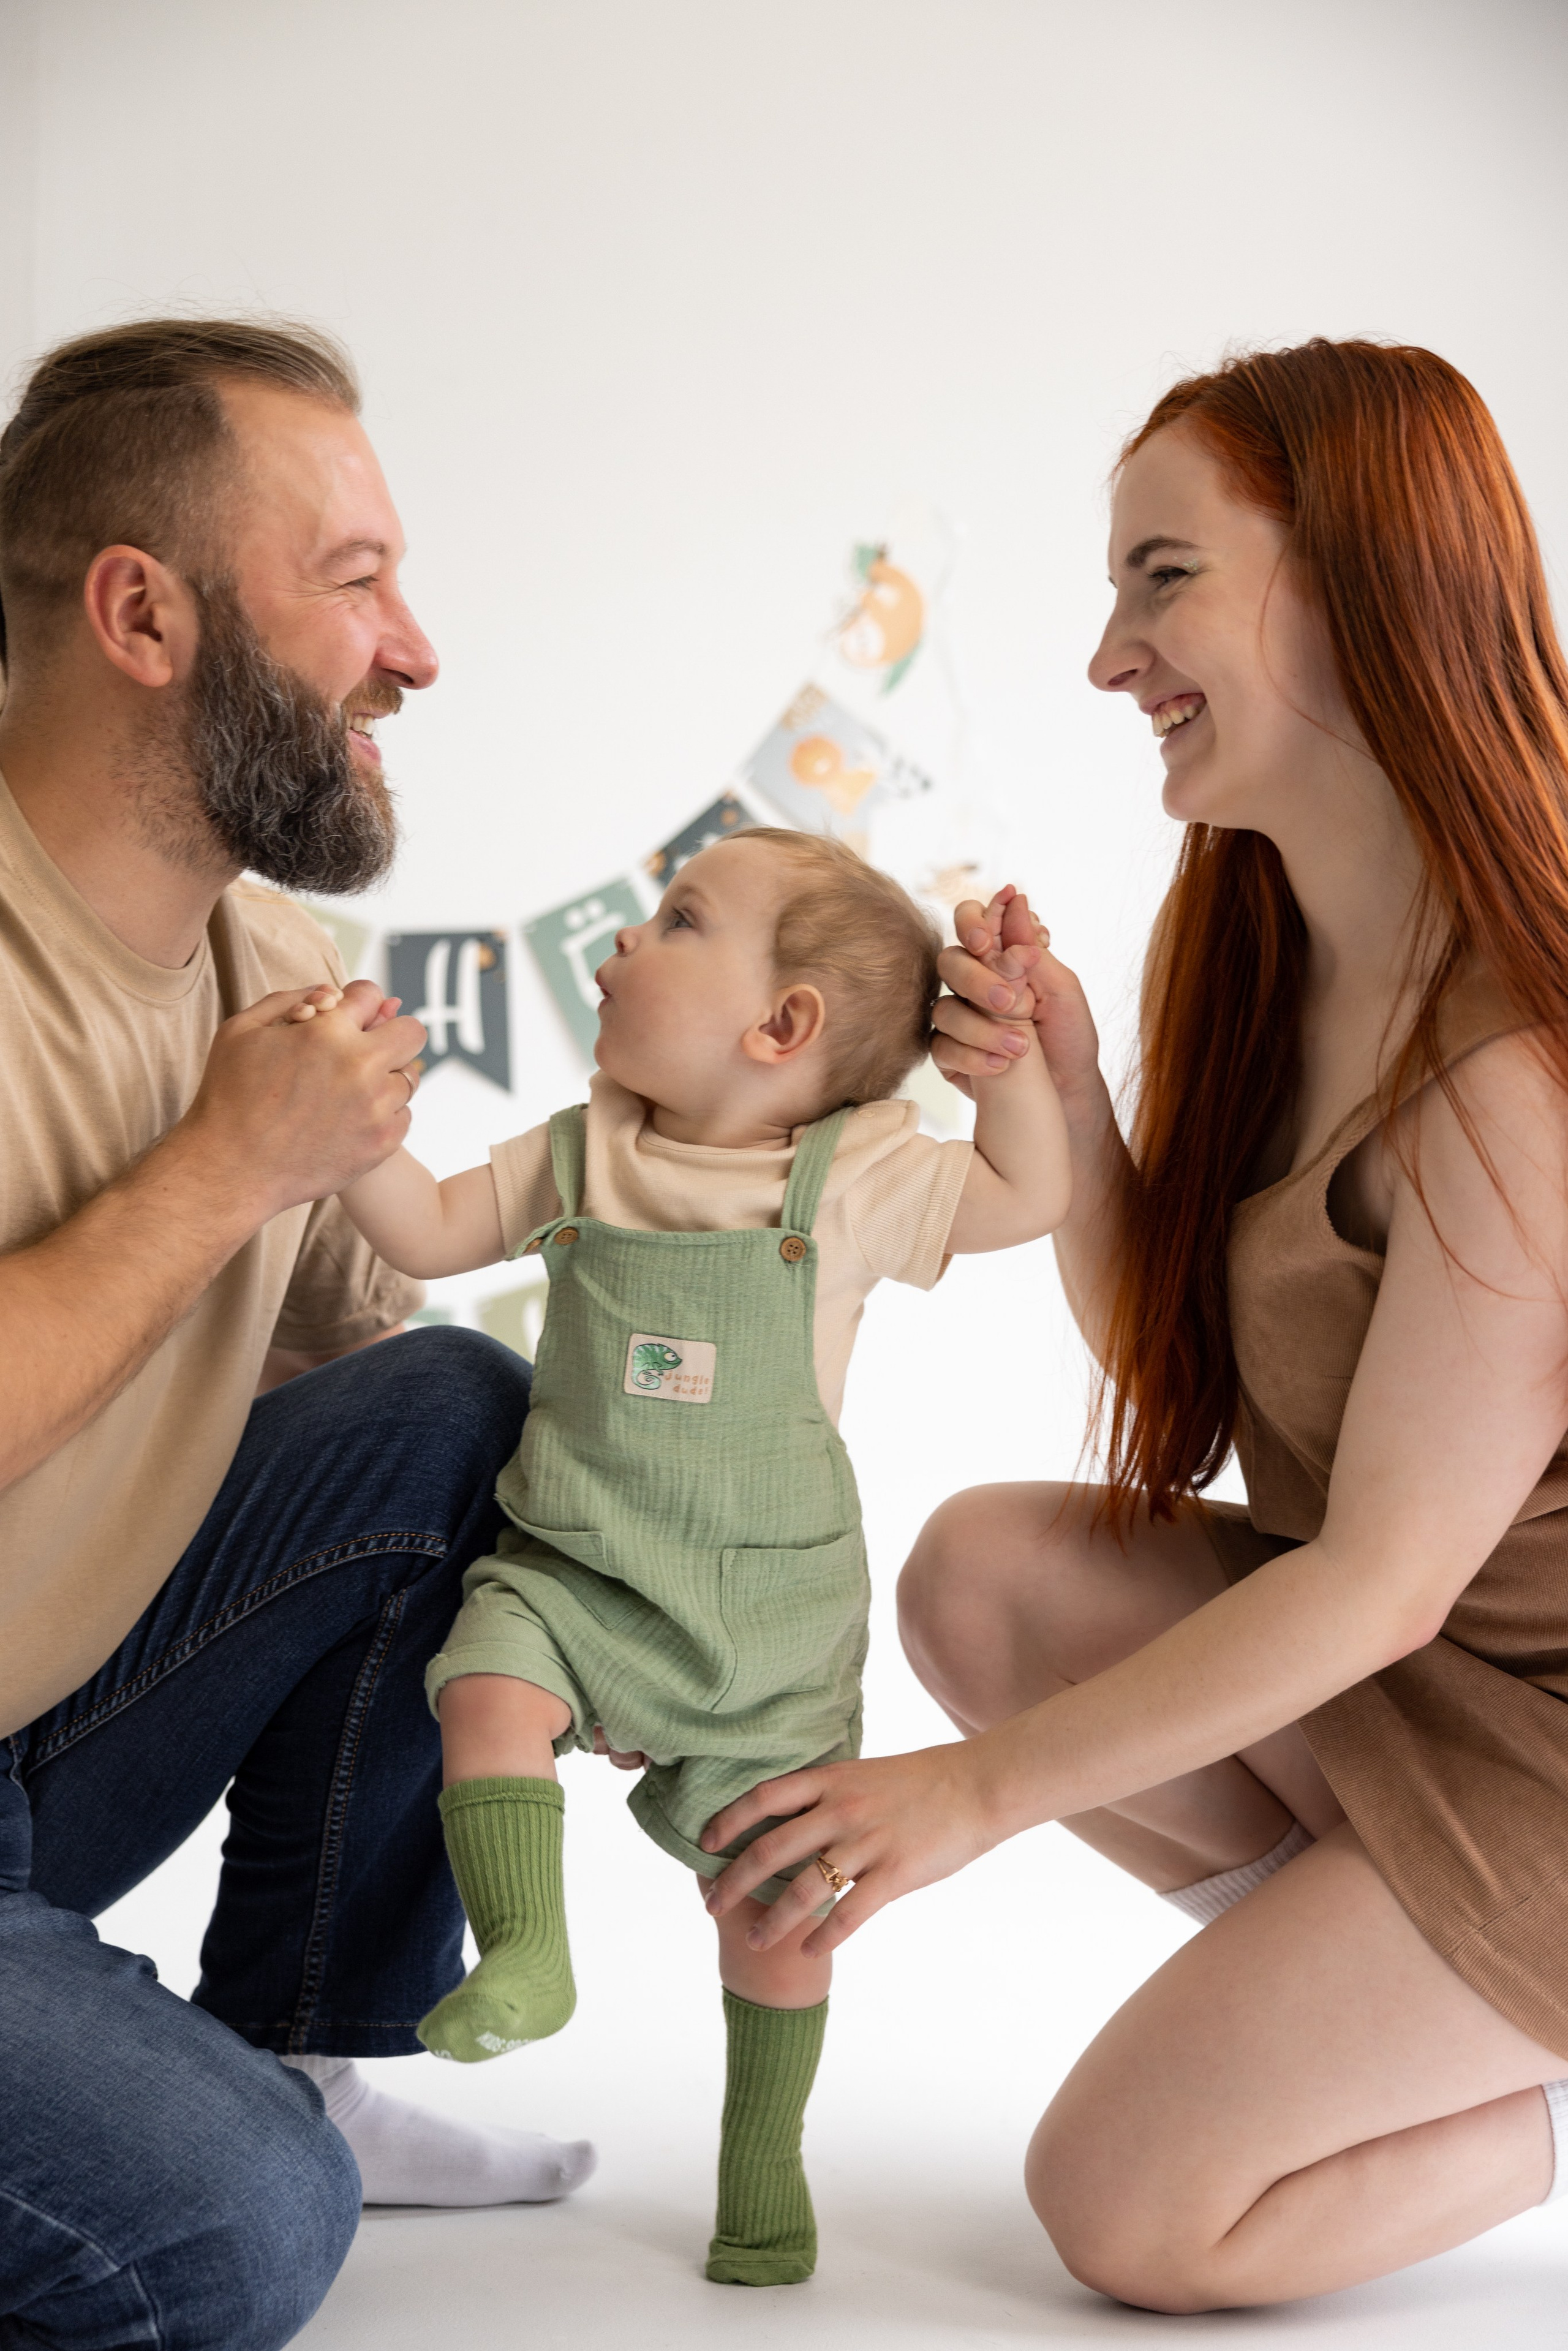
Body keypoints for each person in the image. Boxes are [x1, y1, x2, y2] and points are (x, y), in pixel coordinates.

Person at [698, 339, 1568, 2314]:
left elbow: (1382, 1579)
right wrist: (1070, 1112)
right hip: (1428, 1698)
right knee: (981, 1575)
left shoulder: (1514, 1064)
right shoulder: (1279, 945)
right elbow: (1208, 1389)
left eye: (1164, 578)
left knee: (1131, 2205)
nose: (1110, 657)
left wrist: (972, 1797)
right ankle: (1387, 1996)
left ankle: (1504, 2059)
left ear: (1362, 576)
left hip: (1525, 1743)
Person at [0, 317, 592, 2351]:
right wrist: (221, 1169)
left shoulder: (270, 955)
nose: (411, 652)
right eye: (354, 580)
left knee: (466, 1417)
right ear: (143, 615)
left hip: (37, 1732)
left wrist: (612, 1591)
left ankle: (307, 2046)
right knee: (232, 2227)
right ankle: (217, 2124)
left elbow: (352, 1398)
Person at [313, 826, 1071, 2284]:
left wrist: (1013, 1063)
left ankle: (761, 2157)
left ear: (779, 1024)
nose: (621, 941)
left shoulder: (854, 1177)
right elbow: (423, 1228)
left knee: (781, 1900)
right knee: (482, 1683)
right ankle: (525, 1949)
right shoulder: (582, 1148)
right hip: (576, 1572)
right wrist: (347, 1128)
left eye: (675, 921)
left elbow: (1028, 1195)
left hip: (761, 1614)